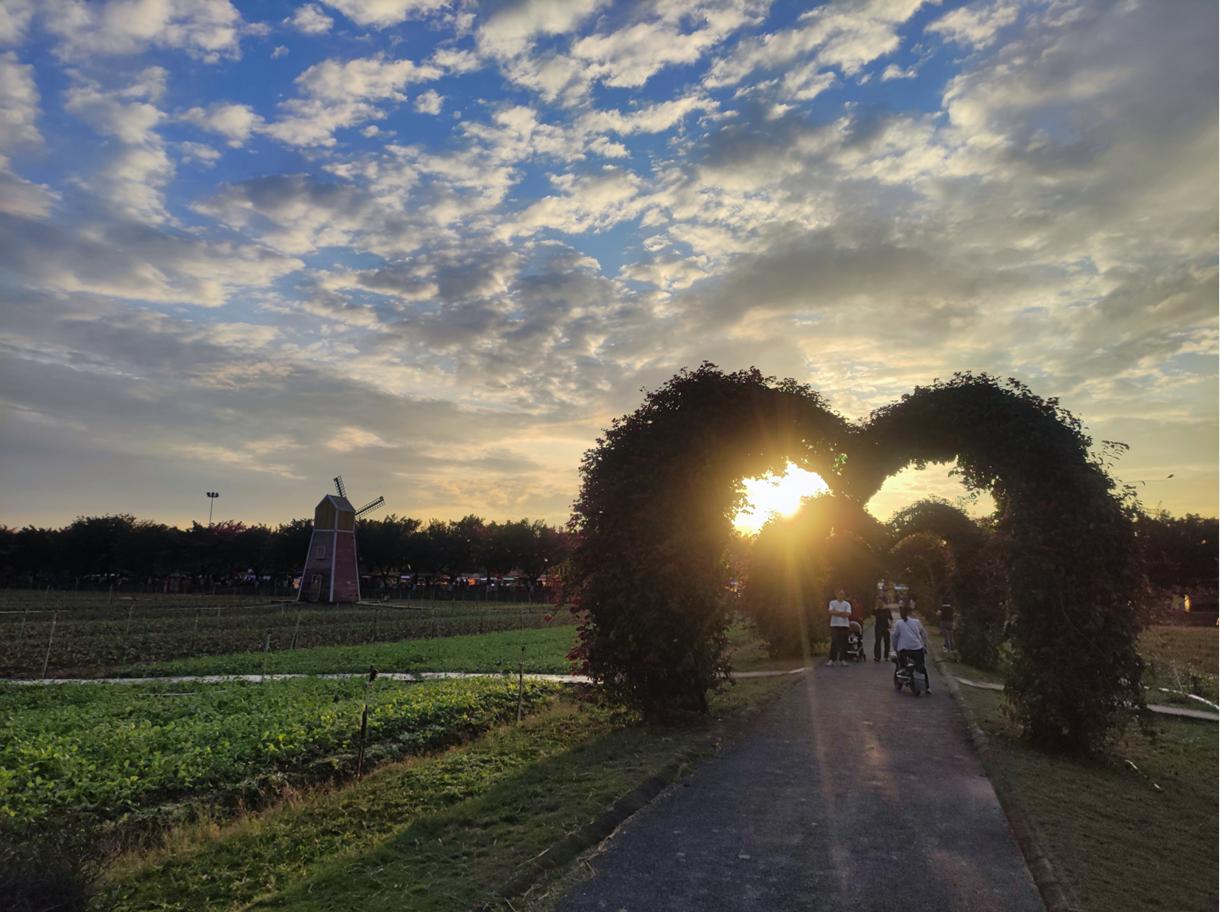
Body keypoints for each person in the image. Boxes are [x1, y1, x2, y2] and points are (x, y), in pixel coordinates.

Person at [892, 601, 931, 693]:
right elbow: (924, 634)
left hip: (904, 650)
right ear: (911, 613)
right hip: (918, 649)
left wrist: (895, 648)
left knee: (902, 664)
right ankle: (927, 687)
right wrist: (924, 646)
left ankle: (903, 673)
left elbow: (894, 637)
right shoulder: (917, 622)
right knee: (921, 667)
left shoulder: (899, 623)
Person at [826, 588, 852, 667]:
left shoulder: (847, 604)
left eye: (842, 594)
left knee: (844, 643)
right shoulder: (832, 602)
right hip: (834, 625)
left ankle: (843, 659)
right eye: (840, 594)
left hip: (844, 625)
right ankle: (831, 659)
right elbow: (830, 612)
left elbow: (848, 614)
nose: (841, 596)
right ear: (836, 594)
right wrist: (842, 613)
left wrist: (836, 612)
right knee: (834, 642)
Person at [872, 593, 891, 662]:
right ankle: (877, 656)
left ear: (883, 602)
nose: (879, 603)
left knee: (887, 641)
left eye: (880, 602)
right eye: (878, 602)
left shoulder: (887, 610)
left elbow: (890, 618)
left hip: (886, 626)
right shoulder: (876, 610)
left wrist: (890, 624)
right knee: (878, 641)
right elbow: (872, 616)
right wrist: (875, 608)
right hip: (878, 627)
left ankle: (886, 656)